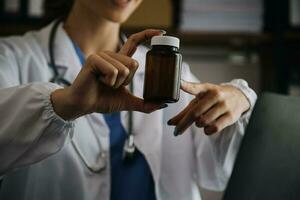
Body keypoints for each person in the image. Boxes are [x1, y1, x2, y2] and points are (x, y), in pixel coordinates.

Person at [0, 0, 256, 200]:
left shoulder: (165, 69)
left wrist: (239, 102)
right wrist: (62, 104)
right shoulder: (12, 58)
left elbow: (218, 174)